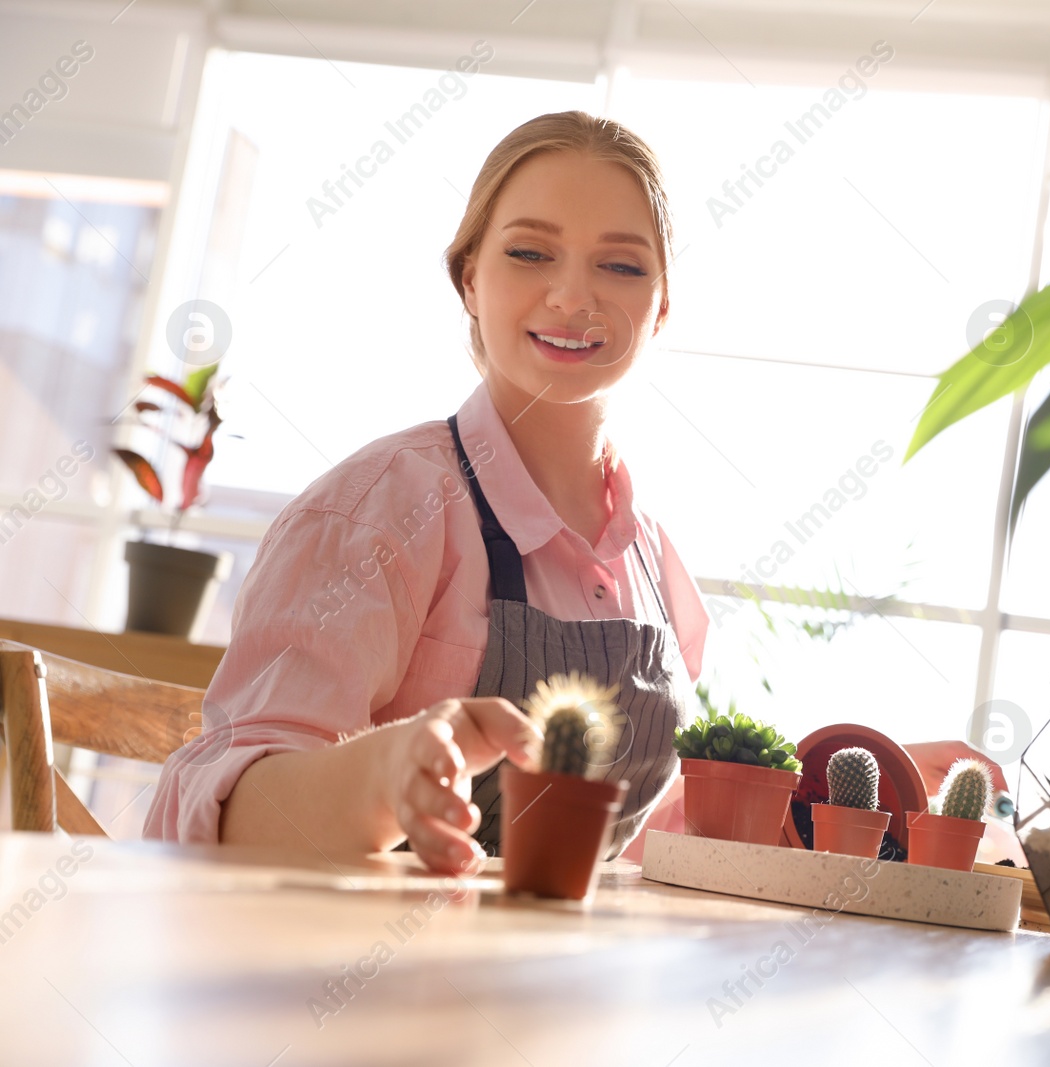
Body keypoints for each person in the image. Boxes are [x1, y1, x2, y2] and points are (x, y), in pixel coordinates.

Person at [144, 111, 707, 876]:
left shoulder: (654, 559)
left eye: (622, 266)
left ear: (663, 306)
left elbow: (647, 852)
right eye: (530, 253)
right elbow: (211, 817)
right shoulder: (374, 512)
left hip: (571, 985)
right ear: (470, 278)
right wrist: (380, 777)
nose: (574, 298)